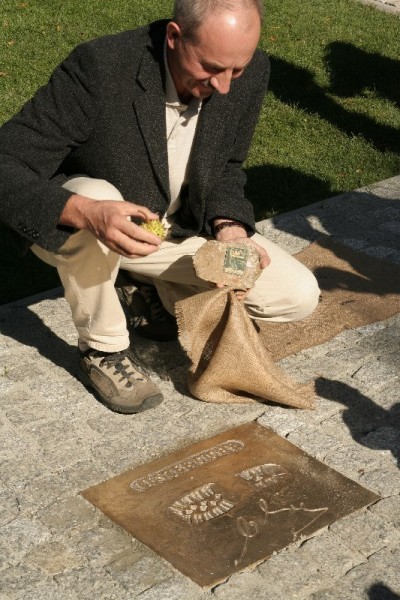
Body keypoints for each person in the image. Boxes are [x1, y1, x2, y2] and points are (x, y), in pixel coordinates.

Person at [0, 0, 320, 414]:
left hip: (170, 230)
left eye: (236, 70)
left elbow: (226, 167)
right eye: (211, 68)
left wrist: (229, 229)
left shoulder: (249, 69)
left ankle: (144, 285)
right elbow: (6, 160)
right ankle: (103, 348)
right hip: (84, 223)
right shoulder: (101, 66)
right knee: (100, 198)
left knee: (296, 295)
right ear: (173, 37)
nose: (225, 85)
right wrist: (85, 212)